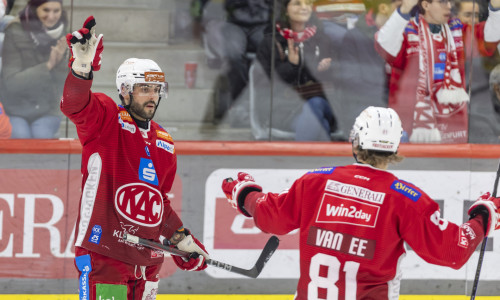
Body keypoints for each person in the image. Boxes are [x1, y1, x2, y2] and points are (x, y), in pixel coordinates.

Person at [221, 106, 500, 299]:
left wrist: (245, 193)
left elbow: (270, 216)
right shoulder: (406, 199)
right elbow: (453, 250)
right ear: (395, 149)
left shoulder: (315, 182)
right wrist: (483, 216)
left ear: (355, 142)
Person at [61, 17, 209, 300]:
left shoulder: (164, 141)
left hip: (148, 262)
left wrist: (180, 237)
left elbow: (157, 200)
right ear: (126, 90)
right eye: (145, 89)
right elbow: (74, 105)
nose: (152, 96)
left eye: (156, 89)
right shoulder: (106, 119)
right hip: (104, 252)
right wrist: (81, 69)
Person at [374, 0, 500, 143]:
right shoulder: (406, 31)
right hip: (410, 125)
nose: (448, 6)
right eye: (442, 2)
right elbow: (384, 44)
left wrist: (496, 7)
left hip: (452, 126)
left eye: (449, 2)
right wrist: (404, 9)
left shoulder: (458, 30)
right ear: (426, 5)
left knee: (452, 163)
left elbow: (490, 38)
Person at [255, 0, 338, 141]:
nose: (304, 8)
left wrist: (324, 70)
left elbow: (339, 81)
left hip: (322, 104)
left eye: (308, 3)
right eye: (297, 3)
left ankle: (300, 161)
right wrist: (291, 66)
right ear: (285, 10)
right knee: (320, 124)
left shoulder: (322, 40)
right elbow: (264, 85)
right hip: (284, 108)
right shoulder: (271, 42)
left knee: (315, 104)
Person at [0, 0, 69, 139]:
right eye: (46, 10)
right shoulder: (15, 31)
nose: (51, 16)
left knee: (41, 135)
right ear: (35, 9)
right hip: (15, 107)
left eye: (56, 11)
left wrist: (61, 63)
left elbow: (64, 85)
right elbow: (12, 83)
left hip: (48, 108)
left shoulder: (63, 34)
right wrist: (48, 66)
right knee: (21, 136)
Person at [336, 0, 401, 139]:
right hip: (367, 111)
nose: (405, 13)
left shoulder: (407, 34)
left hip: (396, 109)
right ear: (383, 8)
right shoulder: (355, 37)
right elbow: (350, 81)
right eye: (400, 7)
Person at [202, 0, 273, 121]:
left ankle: (262, 106)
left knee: (271, 53)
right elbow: (213, 6)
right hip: (234, 24)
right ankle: (239, 99)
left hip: (263, 24)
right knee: (233, 56)